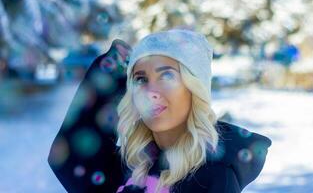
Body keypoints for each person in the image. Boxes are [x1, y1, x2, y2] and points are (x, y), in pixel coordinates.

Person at [48, 29, 272, 193]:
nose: (150, 91)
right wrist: (110, 71)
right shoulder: (133, 163)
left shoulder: (213, 176)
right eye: (141, 79)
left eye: (166, 76)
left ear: (194, 88)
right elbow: (67, 159)